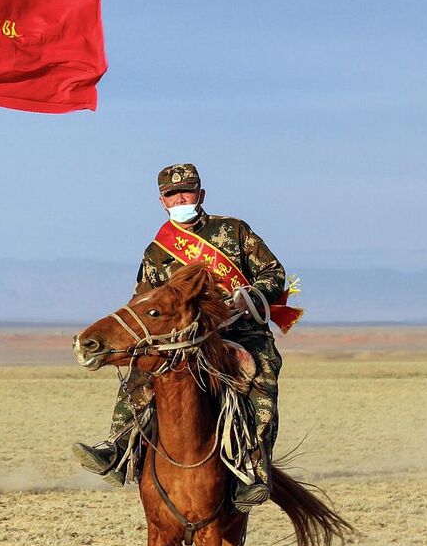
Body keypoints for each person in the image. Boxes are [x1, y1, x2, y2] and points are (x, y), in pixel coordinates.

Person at [72, 162, 295, 509]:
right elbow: (143, 299)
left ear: (200, 194)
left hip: (240, 330)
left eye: (186, 191)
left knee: (261, 375)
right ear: (162, 200)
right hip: (184, 340)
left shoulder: (233, 230)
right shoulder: (156, 252)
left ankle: (253, 471)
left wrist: (251, 295)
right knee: (139, 372)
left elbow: (273, 271)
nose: (180, 198)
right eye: (171, 194)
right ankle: (116, 449)